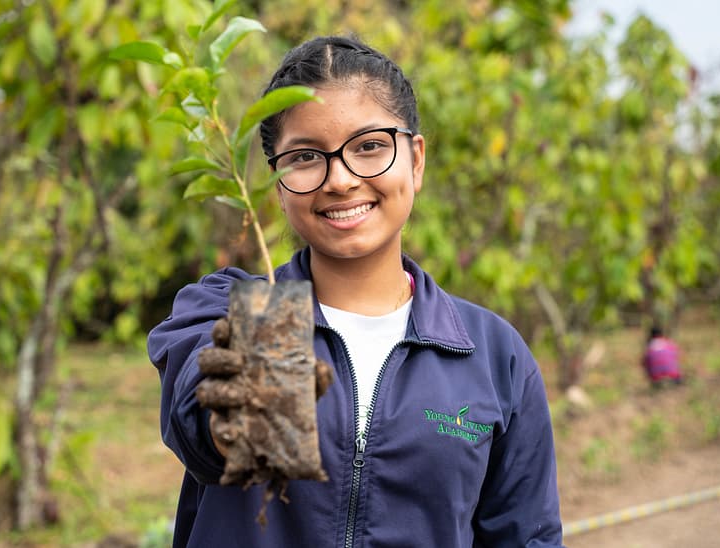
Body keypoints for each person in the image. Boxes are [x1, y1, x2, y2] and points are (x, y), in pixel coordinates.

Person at [148, 35, 564, 547]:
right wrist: (253, 373)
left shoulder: (492, 354)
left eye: (369, 147)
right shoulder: (231, 311)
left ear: (415, 159)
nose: (340, 180)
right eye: (304, 157)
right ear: (277, 184)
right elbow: (213, 439)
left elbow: (525, 536)